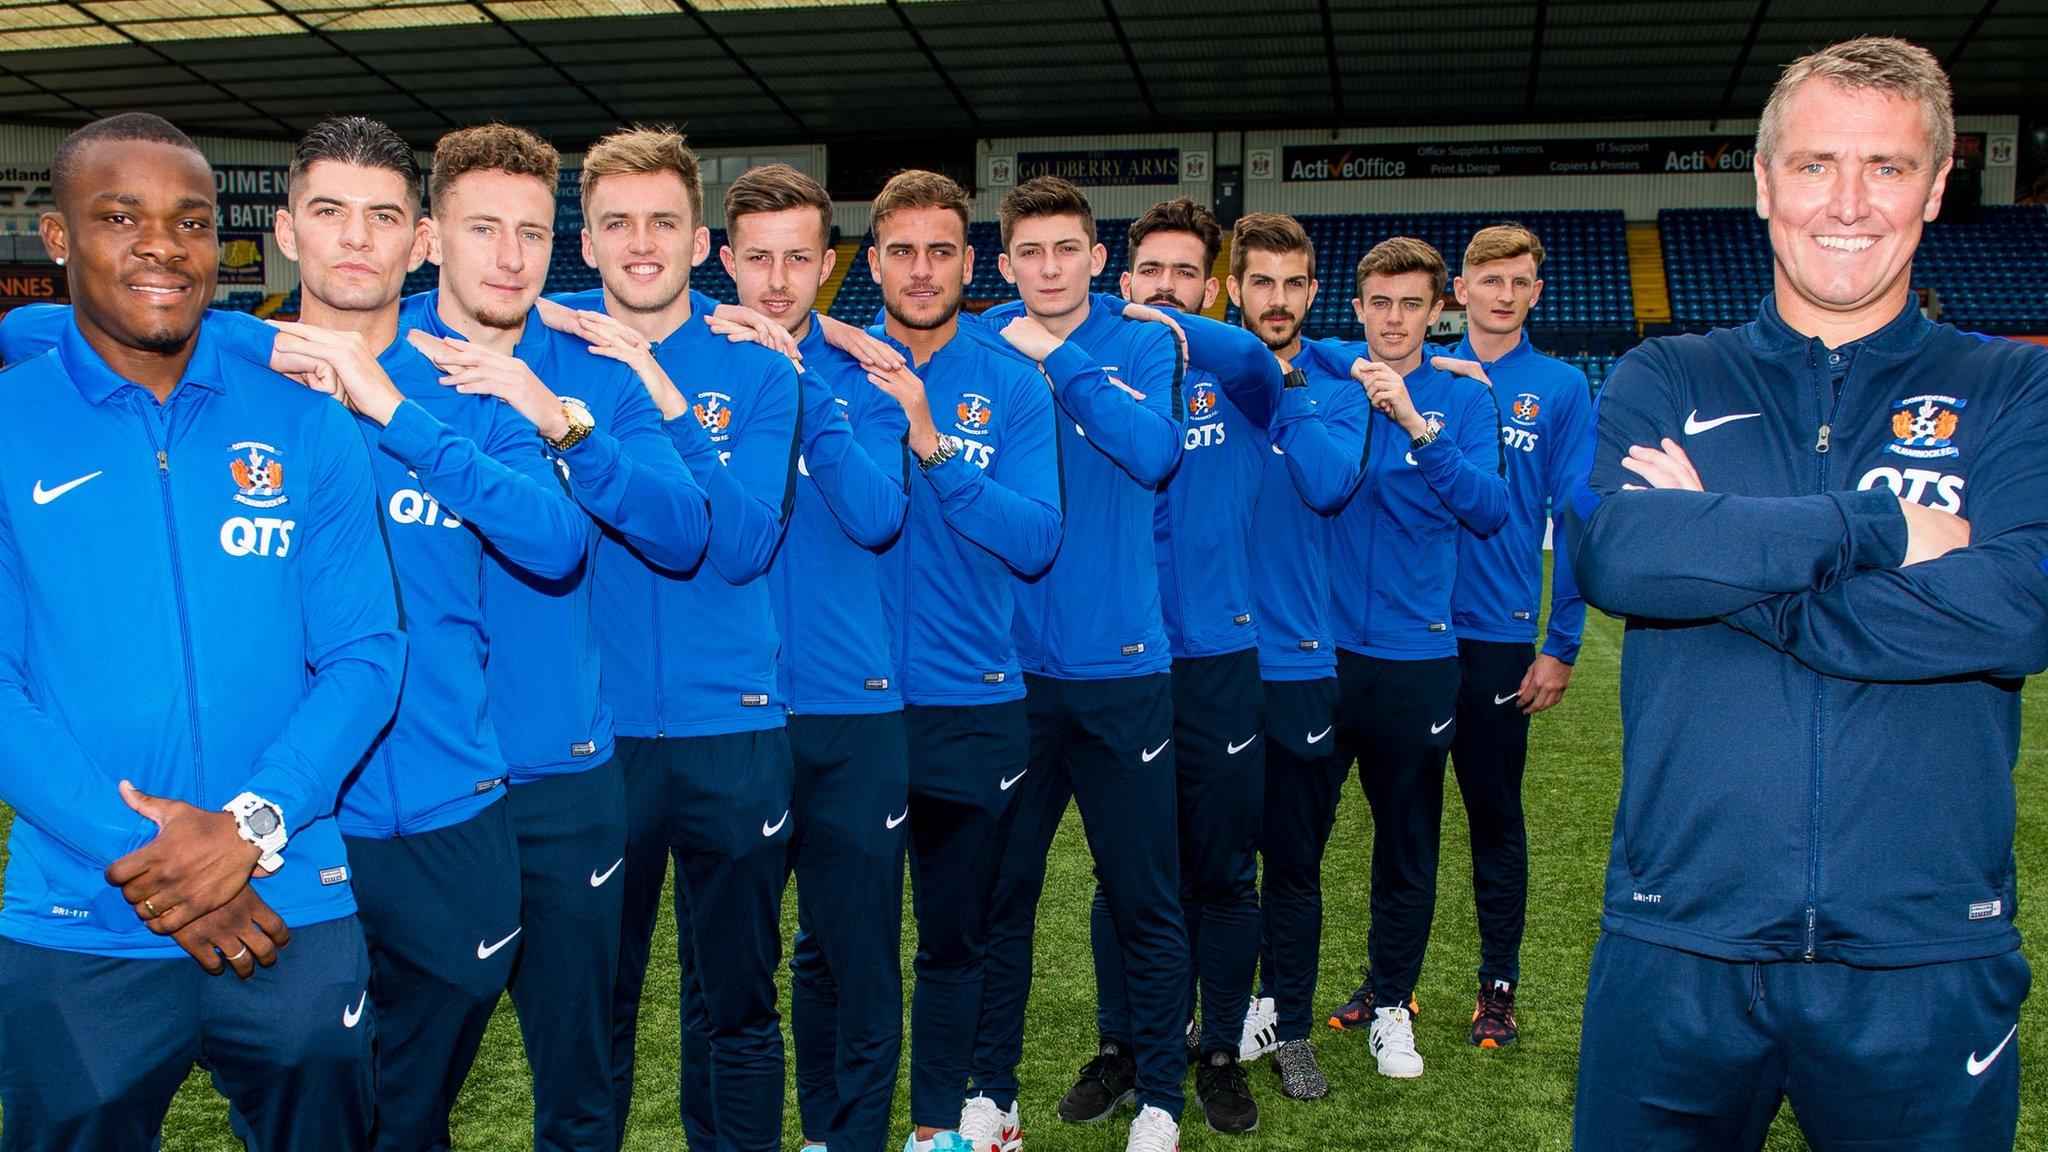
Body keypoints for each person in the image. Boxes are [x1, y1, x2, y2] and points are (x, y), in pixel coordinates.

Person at [1565, 36, 2047, 1151]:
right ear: (1762, 180)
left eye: (1884, 168)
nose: (1846, 202)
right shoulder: (1665, 375)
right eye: (1814, 163)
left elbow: (2017, 604)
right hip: (1678, 937)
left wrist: (1735, 573)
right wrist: (1881, 530)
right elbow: (1623, 558)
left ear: (1932, 188)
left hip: (1924, 953)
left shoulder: (2013, 385)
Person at [0, 112, 402, 1151]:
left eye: (188, 221)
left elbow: (365, 654)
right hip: (82, 912)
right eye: (119, 216)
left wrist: (248, 832)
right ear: (57, 238)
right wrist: (165, 863)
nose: (160, 247)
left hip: (287, 900)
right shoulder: (10, 425)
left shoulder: (304, 419)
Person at [400, 121, 713, 1152]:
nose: (507, 256)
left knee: (579, 1083)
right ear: (428, 237)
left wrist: (562, 422)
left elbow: (681, 532)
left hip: (567, 779)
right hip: (413, 787)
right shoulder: (369, 353)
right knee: (403, 1088)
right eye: (481, 228)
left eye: (530, 233)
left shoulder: (589, 362)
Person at [544, 125, 800, 1152]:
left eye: (660, 221)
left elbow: (739, 547)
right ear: (587, 240)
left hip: (731, 731)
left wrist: (664, 399)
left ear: (699, 241)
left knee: (734, 1004)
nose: (639, 243)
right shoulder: (539, 354)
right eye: (616, 223)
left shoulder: (756, 362)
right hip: (592, 742)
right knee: (590, 1012)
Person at [971, 175, 1190, 1152]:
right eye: (1030, 252)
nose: (1049, 268)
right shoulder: (976, 342)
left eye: (1067, 248)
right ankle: (990, 1095)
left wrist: (1058, 358)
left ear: (1097, 257)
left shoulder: (1143, 340)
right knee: (996, 895)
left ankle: (1160, 1103)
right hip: (1009, 676)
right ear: (1005, 262)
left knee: (1143, 894)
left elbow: (1153, 451)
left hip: (1122, 668)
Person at [852, 169, 1061, 1152]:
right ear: (871, 261)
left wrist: (934, 448)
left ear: (968, 262)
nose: (922, 269)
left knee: (953, 940)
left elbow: (1035, 539)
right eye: (901, 249)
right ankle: (841, 1128)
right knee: (841, 946)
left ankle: (938, 1128)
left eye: (941, 250)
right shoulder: (824, 370)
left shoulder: (1012, 381)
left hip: (969, 705)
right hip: (847, 705)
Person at [719, 162, 912, 1152]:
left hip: (853, 714)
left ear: (828, 265)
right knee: (752, 967)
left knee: (857, 957)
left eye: (799, 258)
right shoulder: (688, 370)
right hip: (736, 717)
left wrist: (801, 388)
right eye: (757, 258)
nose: (778, 281)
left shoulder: (865, 373)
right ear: (725, 260)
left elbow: (879, 514)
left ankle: (852, 1139)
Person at [1304, 237, 1507, 1080]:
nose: (1394, 319)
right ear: (1356, 308)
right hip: (1316, 655)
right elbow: (1266, 337)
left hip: (1418, 655)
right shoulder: (1326, 373)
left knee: (1407, 843)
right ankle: (1275, 1004)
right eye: (1379, 303)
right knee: (1293, 842)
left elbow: (1491, 510)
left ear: (1438, 310)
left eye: (1412, 304)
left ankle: (1392, 1003)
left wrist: (1419, 424)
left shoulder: (1462, 400)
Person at [1087, 197, 1269, 1136]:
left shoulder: (1236, 373)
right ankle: (1121, 1045)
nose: (1164, 288)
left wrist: (1173, 324)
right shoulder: (1094, 364)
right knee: (1123, 872)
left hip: (1217, 660)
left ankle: (1220, 1051)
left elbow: (1253, 359)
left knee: (1223, 873)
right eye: (1148, 273)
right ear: (1120, 281)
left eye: (1185, 274)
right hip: (1121, 657)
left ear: (1213, 286)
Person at [1443, 223, 1594, 1048]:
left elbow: (1574, 518)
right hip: (1406, 636)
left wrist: (1561, 640)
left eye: (1520, 281)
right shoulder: (1415, 372)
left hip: (1498, 633)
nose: (1504, 293)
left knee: (1494, 816)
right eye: (1489, 279)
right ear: (1459, 289)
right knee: (1399, 820)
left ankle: (1497, 985)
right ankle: (1389, 983)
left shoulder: (1562, 388)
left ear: (1537, 292)